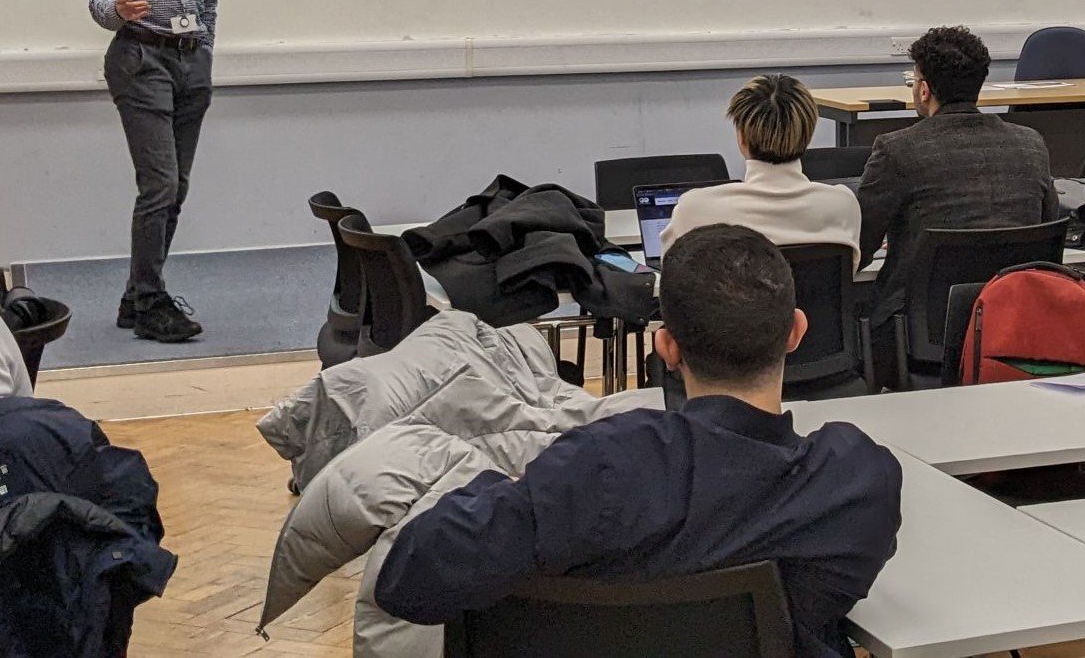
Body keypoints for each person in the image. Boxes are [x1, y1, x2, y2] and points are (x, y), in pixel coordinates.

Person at [372, 224, 904, 658]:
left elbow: (408, 582)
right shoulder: (857, 484)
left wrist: (501, 489)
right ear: (796, 331)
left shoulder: (598, 468)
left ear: (666, 349)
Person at [87, 0, 218, 343]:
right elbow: (100, 1)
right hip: (140, 60)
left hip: (190, 63)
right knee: (159, 184)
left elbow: (208, 5)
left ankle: (136, 295)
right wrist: (117, 10)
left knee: (177, 187)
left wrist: (204, 52)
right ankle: (150, 302)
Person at [856, 26, 1062, 315]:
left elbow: (860, 246)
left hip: (921, 323)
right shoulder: (1031, 144)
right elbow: (1047, 230)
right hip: (1010, 316)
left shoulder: (896, 149)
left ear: (924, 90)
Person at [659, 74, 859, 255]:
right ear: (808, 134)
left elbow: (672, 273)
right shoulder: (842, 205)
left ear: (741, 137)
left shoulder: (695, 209)